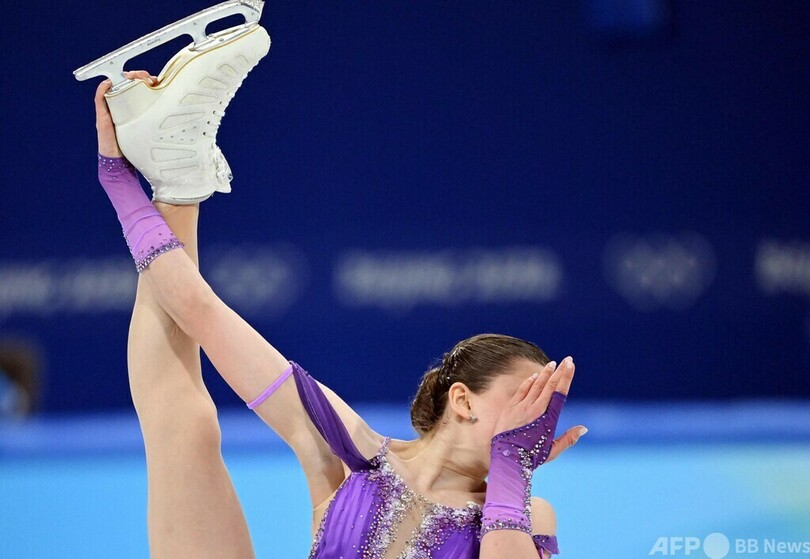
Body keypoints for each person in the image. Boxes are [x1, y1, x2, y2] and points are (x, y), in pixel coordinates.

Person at [92, 59, 585, 558]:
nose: (535, 425)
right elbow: (196, 306)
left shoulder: (527, 516)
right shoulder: (351, 451)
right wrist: (121, 182)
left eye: (546, 411)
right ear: (463, 400)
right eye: (526, 399)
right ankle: (177, 174)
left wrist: (510, 470)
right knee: (186, 423)